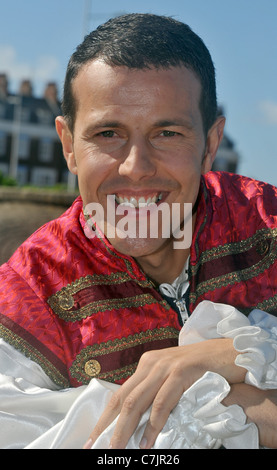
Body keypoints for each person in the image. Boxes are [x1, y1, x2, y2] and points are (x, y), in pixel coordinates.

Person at [0, 13, 277, 449]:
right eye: (108, 133)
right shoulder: (28, 291)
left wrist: (236, 354)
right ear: (69, 146)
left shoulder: (268, 221)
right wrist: (243, 404)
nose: (136, 167)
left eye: (167, 132)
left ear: (211, 143)